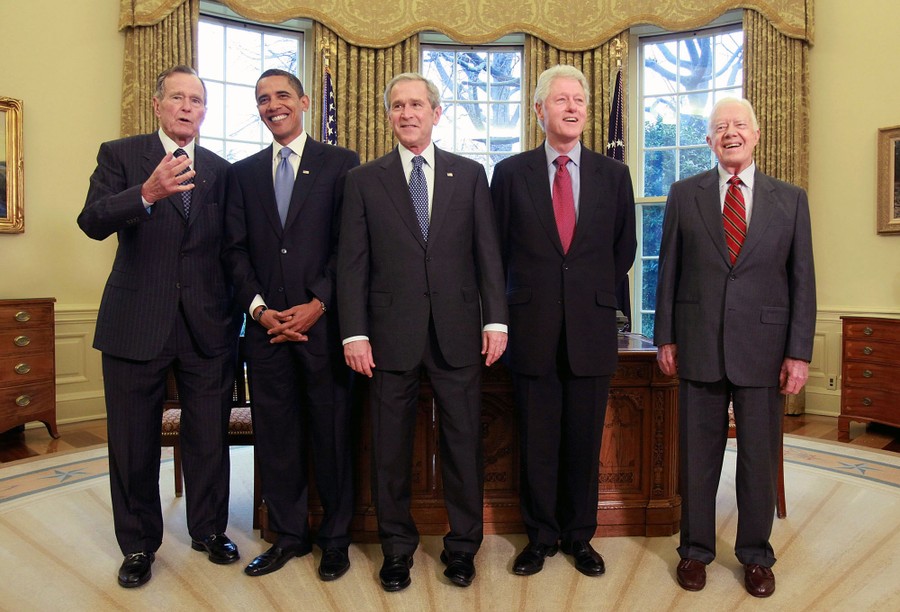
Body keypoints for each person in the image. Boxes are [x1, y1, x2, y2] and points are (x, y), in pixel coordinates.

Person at [337, 72, 508, 592]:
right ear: (388, 116)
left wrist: (495, 318)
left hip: (458, 332)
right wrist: (354, 334)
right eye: (397, 106)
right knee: (389, 448)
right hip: (388, 335)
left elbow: (488, 255)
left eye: (416, 105)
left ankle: (462, 547)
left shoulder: (470, 174)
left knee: (462, 444)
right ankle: (396, 549)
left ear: (437, 113)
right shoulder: (364, 180)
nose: (406, 114)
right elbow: (352, 264)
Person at [77, 65, 240, 588]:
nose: (188, 107)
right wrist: (144, 194)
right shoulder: (120, 155)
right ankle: (139, 545)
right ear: (157, 105)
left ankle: (209, 530)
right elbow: (91, 222)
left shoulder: (221, 169)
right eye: (178, 98)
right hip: (135, 323)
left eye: (197, 99)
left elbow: (230, 250)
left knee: (209, 436)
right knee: (132, 441)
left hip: (208, 326)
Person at [654, 97, 816, 598]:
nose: (730, 133)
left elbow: (802, 281)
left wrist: (799, 352)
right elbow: (670, 271)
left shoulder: (790, 199)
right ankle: (695, 551)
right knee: (697, 457)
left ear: (757, 133)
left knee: (757, 460)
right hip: (698, 344)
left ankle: (756, 555)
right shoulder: (685, 194)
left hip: (765, 350)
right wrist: (666, 337)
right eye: (720, 127)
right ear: (708, 139)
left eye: (739, 125)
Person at [490, 65, 636, 578]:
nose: (572, 107)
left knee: (583, 440)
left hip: (591, 330)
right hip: (530, 329)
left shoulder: (613, 175)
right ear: (539, 111)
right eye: (560, 100)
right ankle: (540, 536)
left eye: (579, 100)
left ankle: (580, 537)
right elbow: (495, 250)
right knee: (537, 441)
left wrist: (584, 295)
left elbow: (624, 249)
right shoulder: (510, 174)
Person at [223, 69, 360, 581]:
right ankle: (288, 537)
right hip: (265, 331)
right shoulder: (243, 173)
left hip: (322, 328)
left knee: (331, 437)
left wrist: (319, 303)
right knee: (277, 439)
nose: (272, 105)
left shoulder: (341, 164)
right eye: (262, 99)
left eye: (282, 95)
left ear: (303, 102)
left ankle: (335, 540)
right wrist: (259, 310)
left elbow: (350, 246)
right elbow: (233, 252)